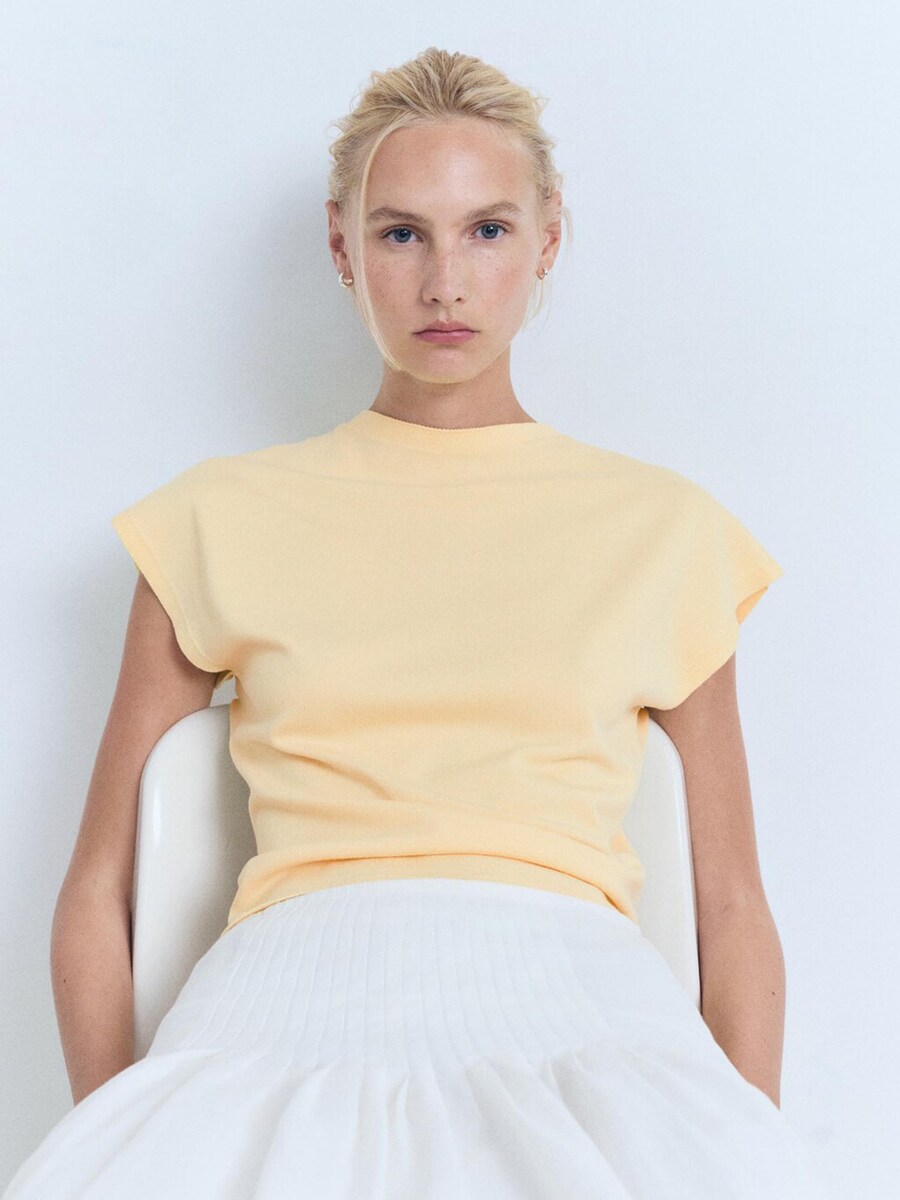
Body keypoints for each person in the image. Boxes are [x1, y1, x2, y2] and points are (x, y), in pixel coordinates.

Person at [4, 47, 826, 1199]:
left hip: (586, 999)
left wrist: (739, 1141)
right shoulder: (215, 520)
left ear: (547, 241)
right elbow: (101, 890)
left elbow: (732, 908)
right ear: (343, 249)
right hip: (280, 998)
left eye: (487, 230)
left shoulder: (666, 531)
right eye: (401, 234)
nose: (446, 283)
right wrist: (116, 1131)